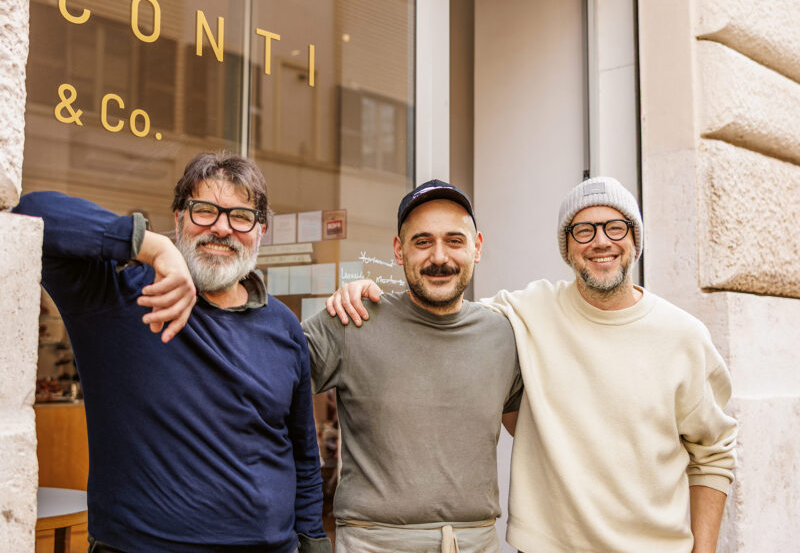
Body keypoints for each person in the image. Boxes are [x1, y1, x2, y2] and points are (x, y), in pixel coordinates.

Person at [328, 176, 738, 553]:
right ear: (567, 245)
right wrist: (366, 295)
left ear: (635, 239)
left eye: (616, 227)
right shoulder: (524, 312)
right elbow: (440, 304)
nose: (601, 242)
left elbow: (714, 455)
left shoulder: (683, 336)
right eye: (584, 230)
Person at [14, 152, 330, 553]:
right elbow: (30, 213)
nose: (222, 228)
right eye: (204, 211)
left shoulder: (282, 325)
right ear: (179, 217)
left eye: (241, 216)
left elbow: (302, 453)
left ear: (260, 231)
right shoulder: (118, 294)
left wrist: (314, 542)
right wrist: (154, 248)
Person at [302, 179, 523, 553]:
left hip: (477, 543)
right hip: (373, 543)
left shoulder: (506, 333)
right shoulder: (351, 319)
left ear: (477, 247)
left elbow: (542, 437)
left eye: (454, 240)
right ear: (398, 250)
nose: (439, 257)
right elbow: (264, 389)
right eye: (422, 242)